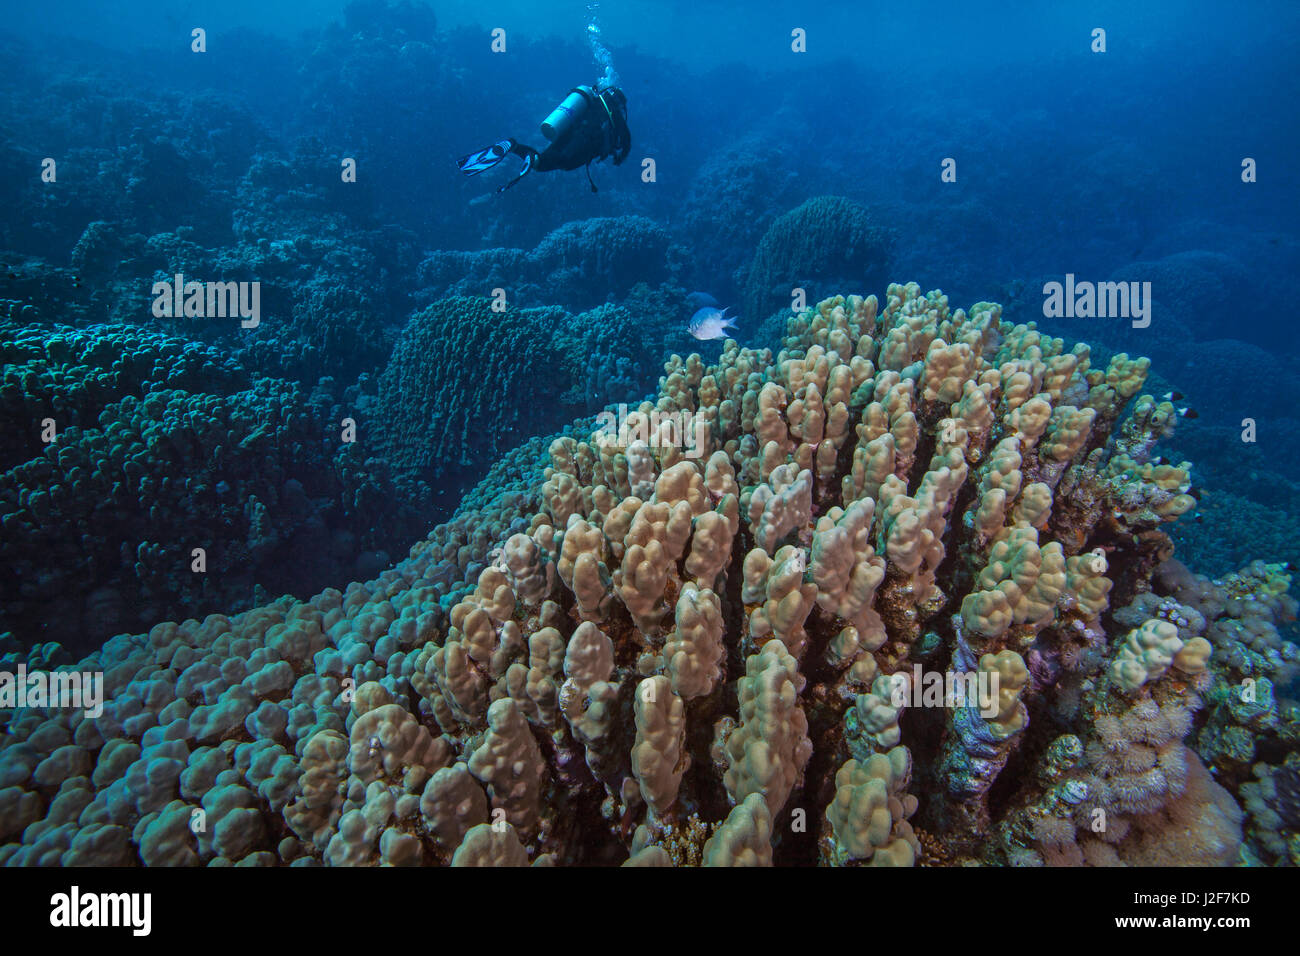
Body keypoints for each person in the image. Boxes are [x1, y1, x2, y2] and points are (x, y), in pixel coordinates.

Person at [457, 85, 631, 193]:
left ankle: (513, 146)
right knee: (563, 163)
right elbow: (626, 142)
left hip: (566, 133)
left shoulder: (592, 102)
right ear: (620, 103)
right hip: (584, 142)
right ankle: (521, 151)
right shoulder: (615, 114)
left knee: (544, 160)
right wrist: (619, 158)